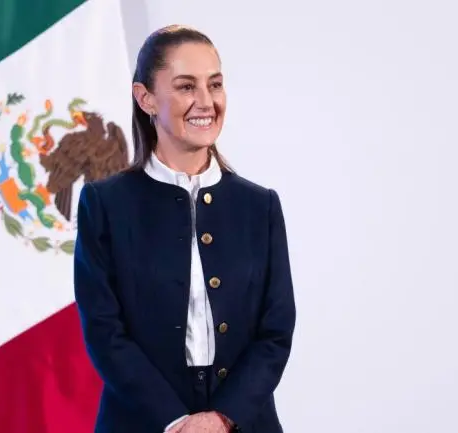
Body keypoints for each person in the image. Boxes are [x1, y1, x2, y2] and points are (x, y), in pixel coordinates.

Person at [73, 24, 296, 433]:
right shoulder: (105, 205)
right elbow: (104, 332)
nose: (206, 102)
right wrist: (176, 422)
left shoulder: (260, 206)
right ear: (145, 97)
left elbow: (276, 331)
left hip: (245, 422)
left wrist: (222, 418)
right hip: (140, 421)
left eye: (215, 84)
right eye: (186, 86)